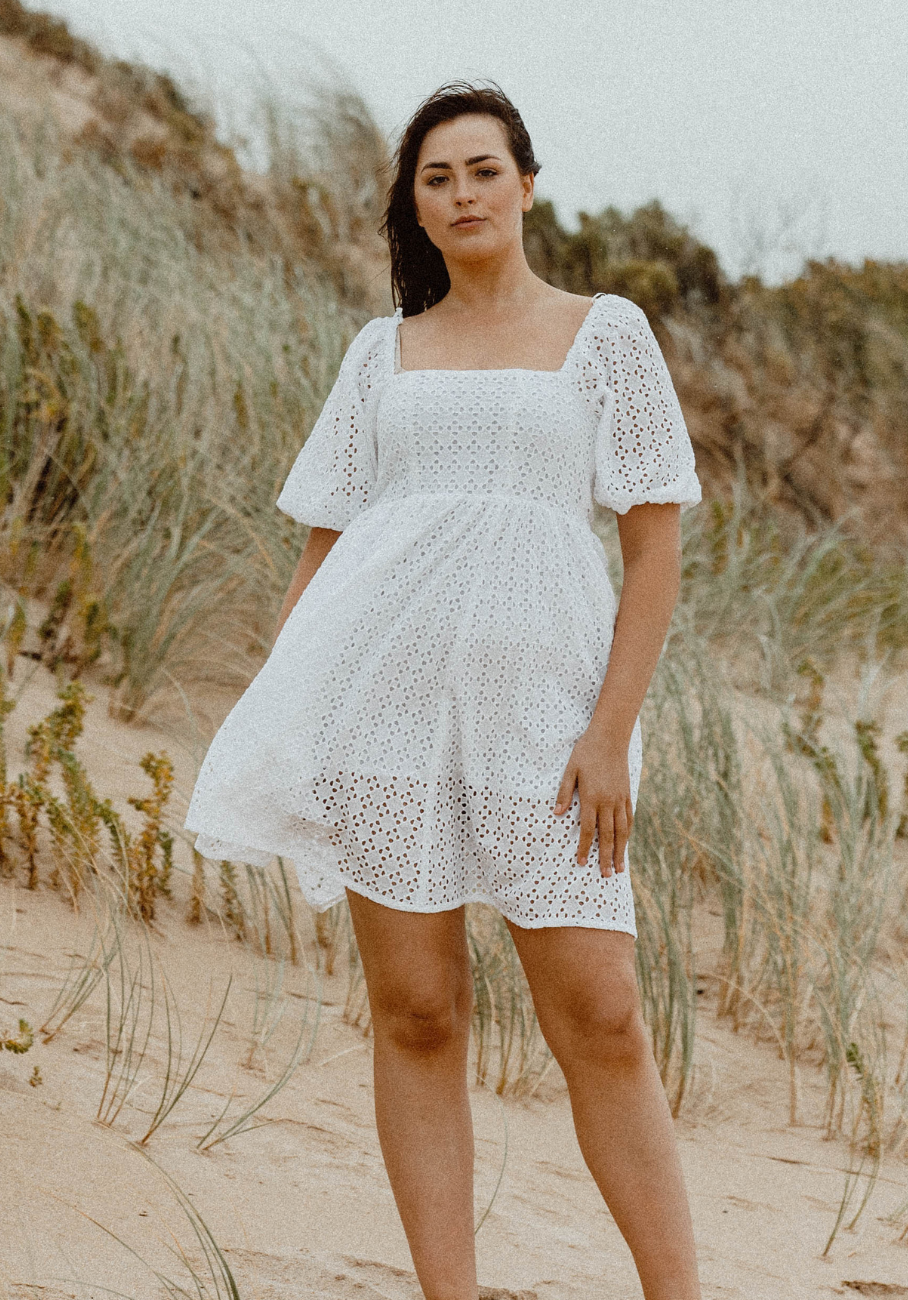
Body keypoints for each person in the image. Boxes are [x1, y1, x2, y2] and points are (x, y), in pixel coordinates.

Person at [186, 80, 702, 1300]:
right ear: (412, 207)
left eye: (481, 170)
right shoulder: (381, 352)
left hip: (549, 727)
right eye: (435, 178)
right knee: (415, 1011)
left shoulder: (604, 333)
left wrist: (609, 735)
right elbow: (324, 549)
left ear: (525, 184)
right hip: (381, 719)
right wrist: (293, 720)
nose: (461, 194)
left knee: (601, 1016)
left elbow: (652, 549)